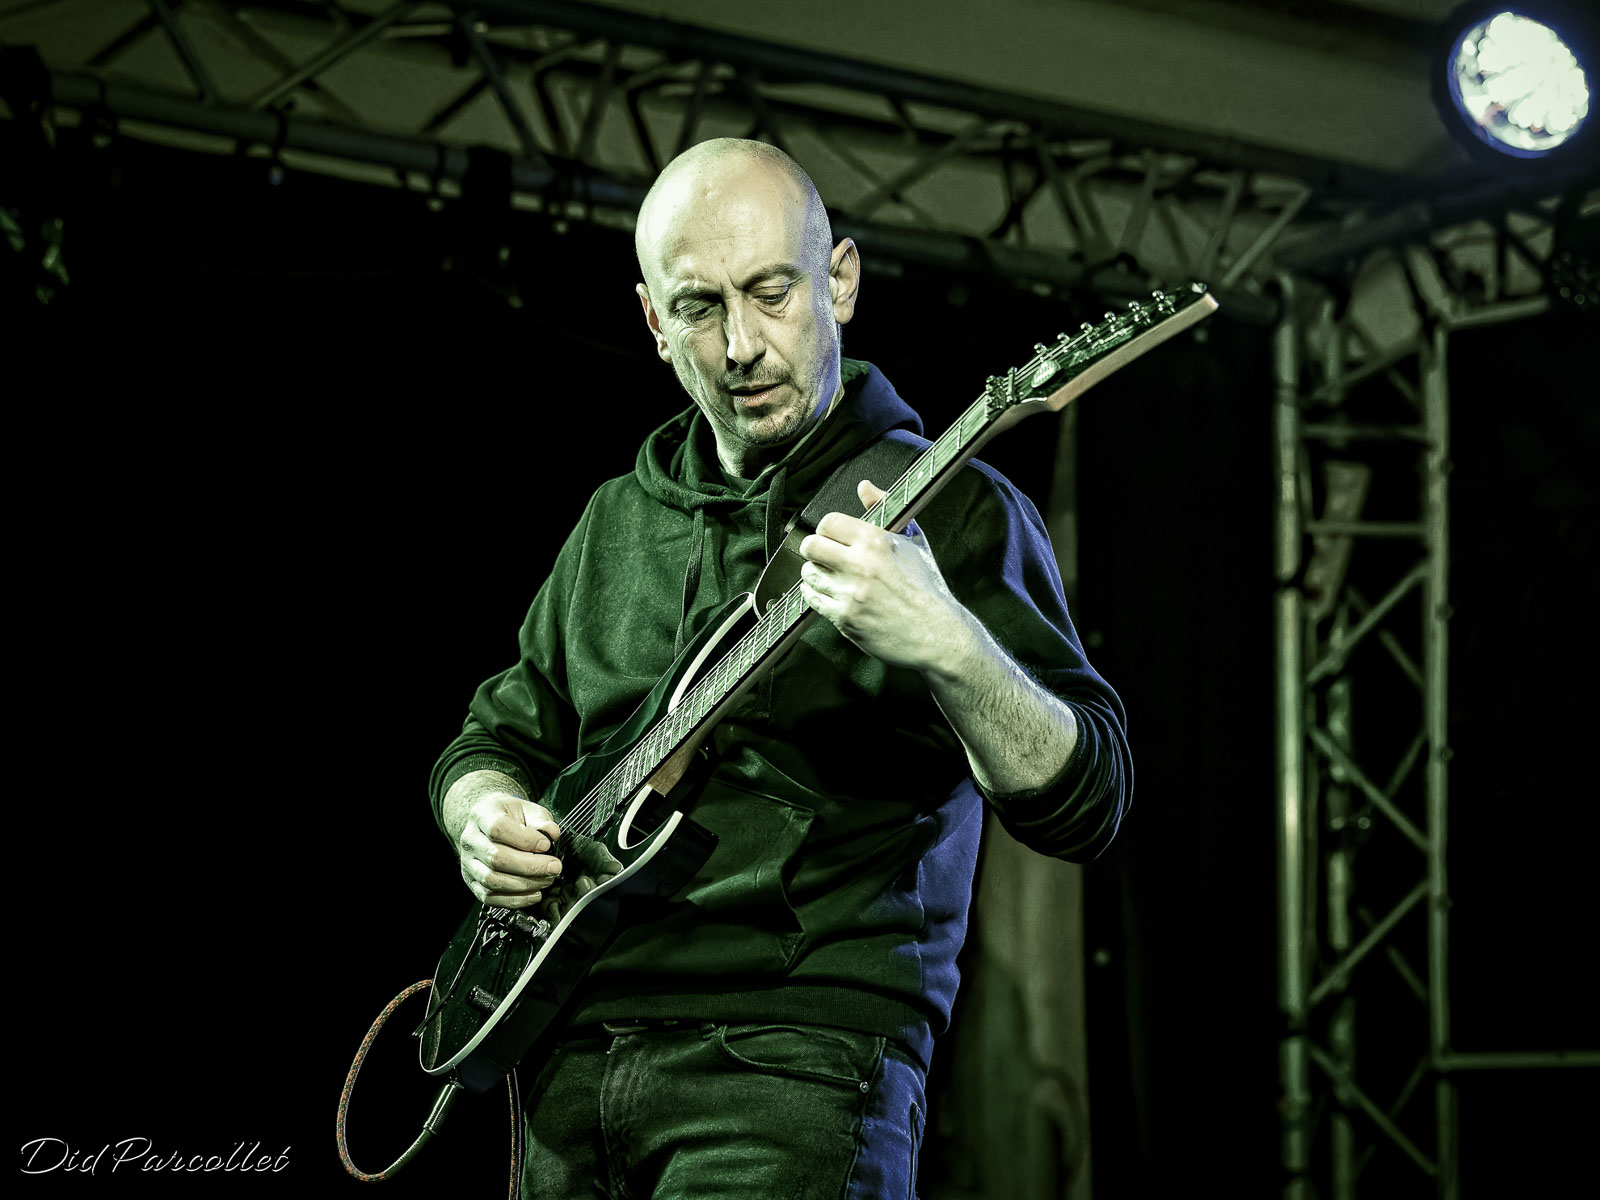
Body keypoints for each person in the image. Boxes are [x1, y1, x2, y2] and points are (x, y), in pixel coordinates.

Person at [428, 137, 1130, 1200]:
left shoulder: (955, 510)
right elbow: (493, 741)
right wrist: (481, 816)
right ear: (654, 322)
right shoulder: (617, 519)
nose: (742, 345)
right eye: (700, 308)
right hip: (567, 1057)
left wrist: (949, 641)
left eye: (772, 292)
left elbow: (1091, 801)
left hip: (795, 1061)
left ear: (839, 282)